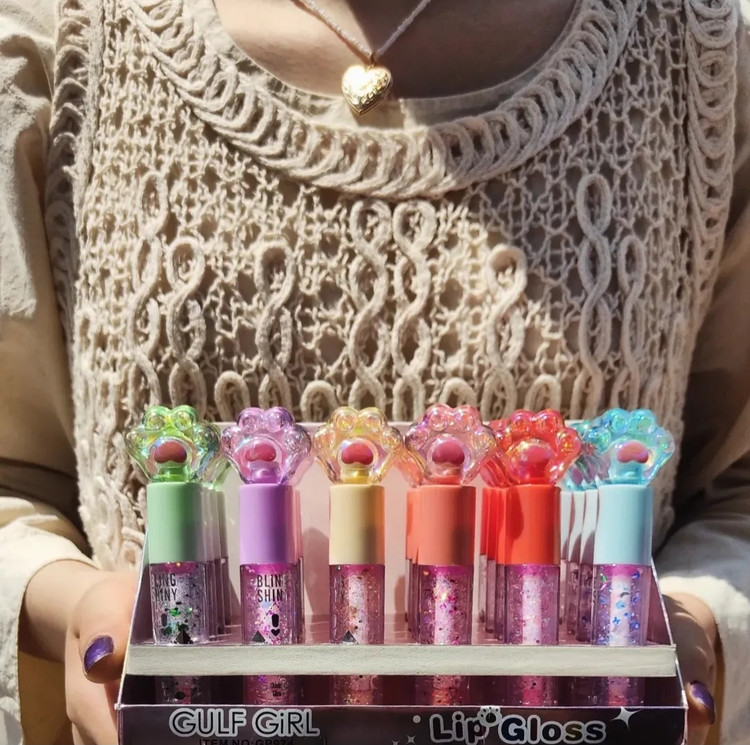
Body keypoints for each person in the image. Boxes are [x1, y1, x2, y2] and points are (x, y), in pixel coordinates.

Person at [0, 0, 749, 742]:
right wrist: (76, 606)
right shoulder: (62, 38)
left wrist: (696, 618)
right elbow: (15, 483)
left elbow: (735, 491)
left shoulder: (699, 52)